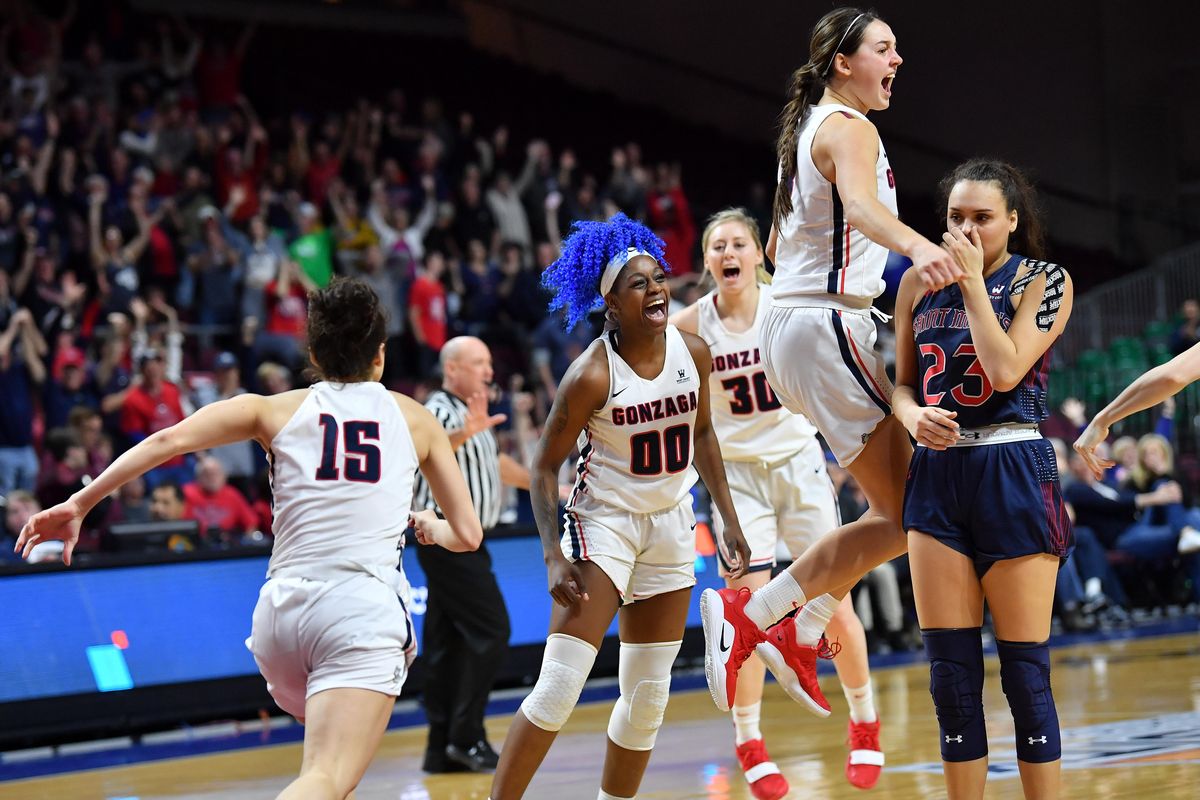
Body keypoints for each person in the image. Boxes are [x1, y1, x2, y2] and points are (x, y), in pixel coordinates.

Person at [16, 278, 483, 800]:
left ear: (312, 353)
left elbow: (169, 440)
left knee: (327, 774)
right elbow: (466, 533)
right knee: (326, 778)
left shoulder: (272, 409)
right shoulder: (417, 419)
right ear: (380, 355)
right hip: (359, 609)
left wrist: (81, 502)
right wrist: (430, 525)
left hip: (281, 617)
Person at [700, 6, 963, 722]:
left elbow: (783, 248)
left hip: (794, 325)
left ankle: (795, 625)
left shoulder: (809, 130)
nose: (898, 59)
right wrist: (918, 245)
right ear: (844, 62)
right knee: (916, 507)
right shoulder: (850, 127)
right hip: (823, 322)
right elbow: (859, 208)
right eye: (885, 48)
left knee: (902, 509)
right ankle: (763, 614)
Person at [488, 213, 752, 800]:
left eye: (658, 278)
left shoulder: (695, 352)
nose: (656, 289)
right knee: (559, 686)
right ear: (610, 302)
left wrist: (727, 518)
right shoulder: (590, 374)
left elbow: (703, 435)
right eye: (639, 284)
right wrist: (553, 555)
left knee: (647, 697)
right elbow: (540, 466)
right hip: (603, 524)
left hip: (671, 523)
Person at [669, 207, 882, 797]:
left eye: (738, 242)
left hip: (797, 462)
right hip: (735, 477)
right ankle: (749, 739)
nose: (728, 253)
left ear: (759, 252)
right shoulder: (688, 326)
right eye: (717, 246)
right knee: (744, 608)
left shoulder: (785, 306)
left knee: (832, 600)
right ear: (707, 261)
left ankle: (864, 722)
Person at [891, 159, 1075, 798]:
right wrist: (912, 416)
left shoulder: (1044, 280)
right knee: (950, 678)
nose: (966, 229)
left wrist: (972, 285)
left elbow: (1003, 372)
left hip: (1014, 467)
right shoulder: (916, 283)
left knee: (1025, 675)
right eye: (955, 218)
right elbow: (902, 386)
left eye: (982, 218)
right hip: (938, 474)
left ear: (1013, 221)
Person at [412, 335, 532, 774]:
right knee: (492, 629)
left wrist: (545, 486)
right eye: (478, 363)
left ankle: (441, 749)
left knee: (447, 646)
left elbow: (494, 464)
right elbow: (429, 453)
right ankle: (467, 736)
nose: (488, 371)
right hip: (445, 537)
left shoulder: (472, 414)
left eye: (488, 362)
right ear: (453, 369)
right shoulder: (439, 411)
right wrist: (466, 431)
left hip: (465, 541)